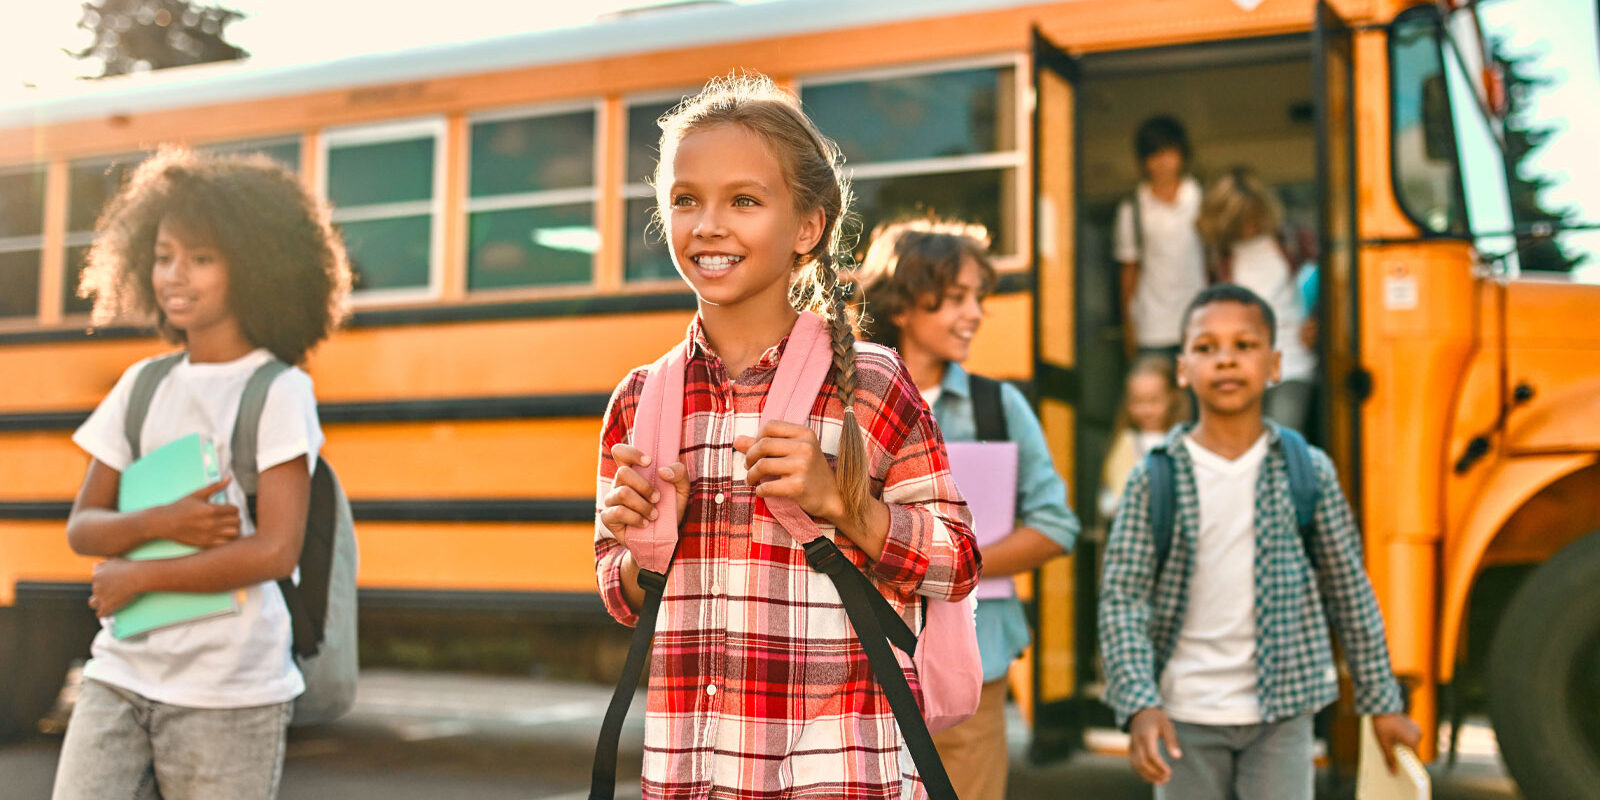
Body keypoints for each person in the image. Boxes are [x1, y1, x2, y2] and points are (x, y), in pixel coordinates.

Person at [593, 74, 980, 799]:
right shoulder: (643, 398)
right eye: (685, 199)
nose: (708, 224)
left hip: (838, 770)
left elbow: (957, 562)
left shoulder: (868, 383)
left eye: (744, 200)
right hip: (694, 771)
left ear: (808, 228)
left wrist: (847, 505)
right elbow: (620, 592)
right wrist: (641, 549)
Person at [52, 148, 351, 800]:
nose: (173, 276)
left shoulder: (279, 391)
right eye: (162, 256)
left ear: (256, 267)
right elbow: (83, 528)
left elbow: (276, 550)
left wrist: (140, 574)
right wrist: (159, 523)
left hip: (231, 689)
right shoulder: (140, 385)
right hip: (123, 671)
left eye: (201, 258)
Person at [1097, 284, 1420, 799]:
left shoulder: (1307, 470)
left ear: (1274, 365)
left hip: (1284, 716)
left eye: (1244, 346)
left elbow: (1349, 592)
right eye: (1207, 348)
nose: (1226, 360)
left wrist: (1382, 703)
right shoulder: (1152, 479)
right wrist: (1140, 703)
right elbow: (1123, 601)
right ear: (1183, 369)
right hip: (1183, 716)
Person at [855, 219, 1077, 800]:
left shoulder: (997, 405)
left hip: (975, 665)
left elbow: (1056, 524)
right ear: (902, 303)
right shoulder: (844, 402)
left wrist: (951, 564)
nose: (975, 312)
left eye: (978, 297)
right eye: (956, 298)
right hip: (859, 661)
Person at [1195, 166, 1317, 431]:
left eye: (1253, 217)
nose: (1248, 227)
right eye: (1239, 220)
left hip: (1293, 360)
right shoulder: (1219, 259)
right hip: (1244, 368)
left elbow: (1333, 282)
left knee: (1283, 439)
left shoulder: (1291, 240)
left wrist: (1317, 320)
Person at [1114, 115, 1207, 361]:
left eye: (1169, 152)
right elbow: (1129, 271)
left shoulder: (1202, 200)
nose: (1162, 162)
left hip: (1200, 321)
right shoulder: (1133, 209)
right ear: (1143, 161)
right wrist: (1129, 328)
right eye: (1154, 155)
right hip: (1151, 327)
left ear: (1182, 155)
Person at [1098, 354, 1189, 523]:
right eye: (1138, 401)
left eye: (1154, 401)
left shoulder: (1184, 441)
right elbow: (1116, 494)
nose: (1146, 410)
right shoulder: (1127, 442)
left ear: (1172, 397)